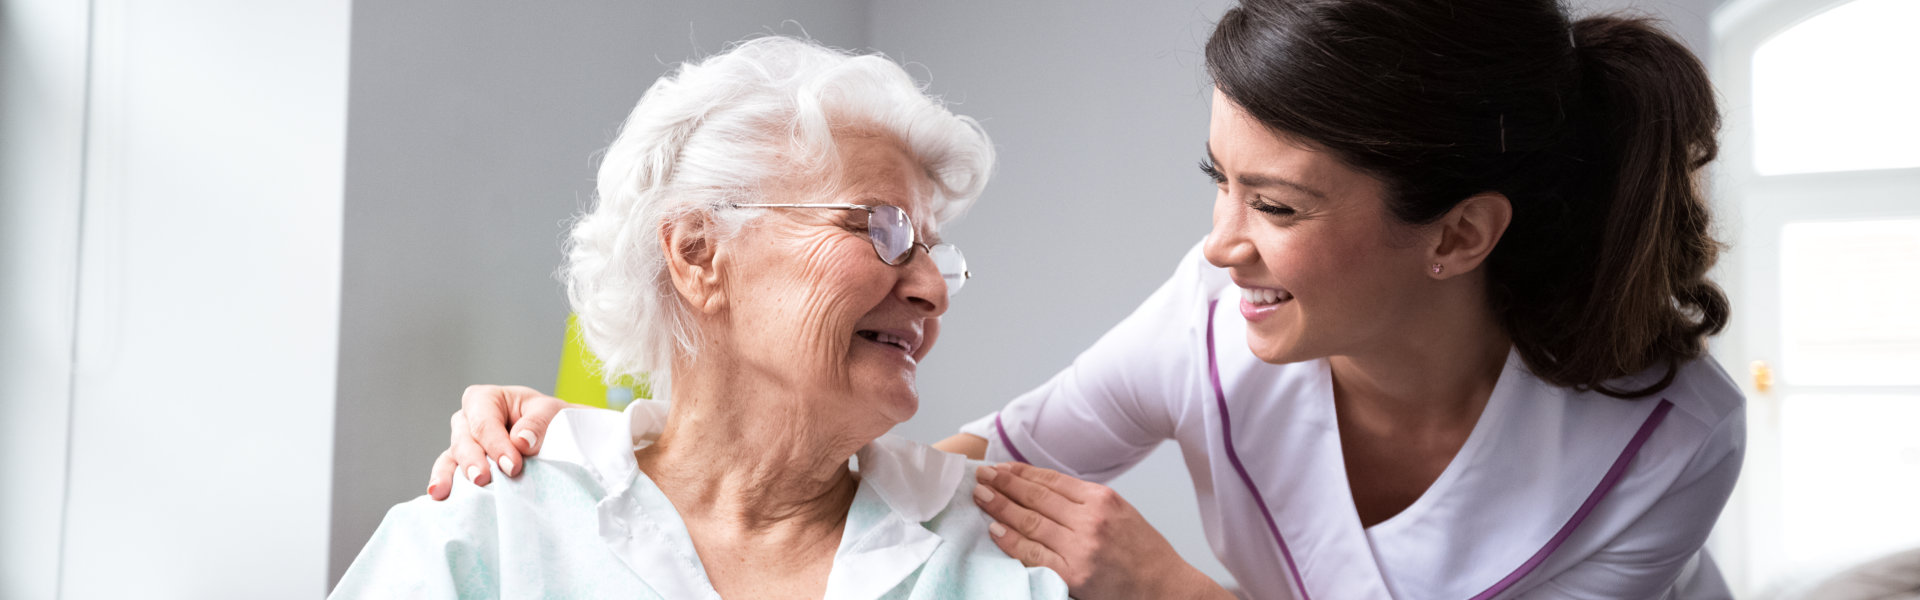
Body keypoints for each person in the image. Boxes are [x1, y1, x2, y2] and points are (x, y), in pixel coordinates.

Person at [432, 0, 1745, 597]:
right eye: (1216, 181)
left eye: (1276, 207)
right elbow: (971, 471)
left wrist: (1168, 594)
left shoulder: (1662, 440)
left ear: (1458, 235)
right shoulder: (468, 538)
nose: (1220, 245)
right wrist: (618, 447)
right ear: (695, 259)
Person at [332, 36, 1067, 599]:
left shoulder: (998, 561)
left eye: (932, 251)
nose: (934, 287)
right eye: (881, 228)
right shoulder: (489, 533)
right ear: (697, 255)